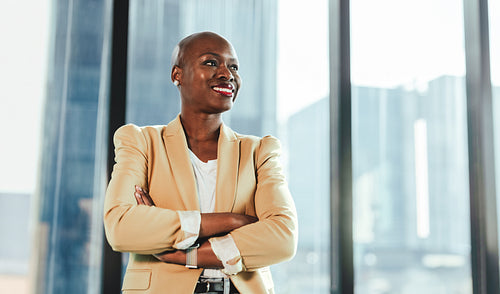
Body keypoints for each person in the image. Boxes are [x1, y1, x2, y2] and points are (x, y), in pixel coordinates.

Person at [103, 31, 298, 294]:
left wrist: (188, 254)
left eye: (233, 67)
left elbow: (283, 238)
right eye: (210, 62)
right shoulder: (141, 142)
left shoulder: (259, 151)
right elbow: (122, 228)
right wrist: (231, 220)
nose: (227, 74)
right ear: (177, 75)